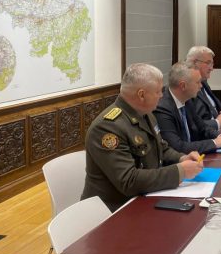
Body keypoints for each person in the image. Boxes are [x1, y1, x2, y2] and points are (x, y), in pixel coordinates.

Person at [81, 63, 203, 211]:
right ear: (141, 95)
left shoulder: (146, 114)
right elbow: (129, 181)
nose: (162, 95)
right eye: (158, 91)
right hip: (113, 210)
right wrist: (179, 172)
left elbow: (162, 148)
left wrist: (182, 158)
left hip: (144, 198)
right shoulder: (107, 128)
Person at [154, 61, 221, 154]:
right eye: (198, 82)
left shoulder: (186, 99)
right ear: (183, 86)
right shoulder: (162, 109)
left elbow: (202, 128)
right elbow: (177, 147)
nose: (201, 86)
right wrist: (215, 143)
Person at [185, 46, 221, 130]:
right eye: (208, 63)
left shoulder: (203, 82)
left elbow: (214, 108)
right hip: (206, 133)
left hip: (218, 130)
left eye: (212, 64)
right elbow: (192, 125)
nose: (211, 68)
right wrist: (218, 122)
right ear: (194, 62)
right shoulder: (187, 87)